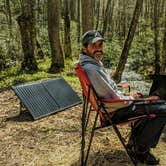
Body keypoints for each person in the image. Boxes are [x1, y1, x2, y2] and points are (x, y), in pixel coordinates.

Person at [79, 30, 166, 165]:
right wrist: (130, 98)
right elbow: (112, 97)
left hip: (114, 105)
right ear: (85, 48)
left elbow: (109, 92)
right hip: (114, 111)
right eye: (94, 46)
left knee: (154, 102)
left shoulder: (93, 64)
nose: (99, 49)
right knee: (162, 109)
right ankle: (140, 150)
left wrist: (127, 95)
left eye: (100, 45)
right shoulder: (92, 69)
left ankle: (134, 143)